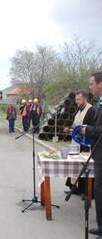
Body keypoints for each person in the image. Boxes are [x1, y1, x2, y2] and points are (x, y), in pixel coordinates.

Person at [81, 71, 102, 236]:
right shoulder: (99, 102)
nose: (90, 86)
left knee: (99, 189)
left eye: (92, 83)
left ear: (100, 83)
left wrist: (88, 129)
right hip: (97, 152)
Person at [65, 90, 96, 194]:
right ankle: (75, 188)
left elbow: (93, 127)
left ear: (85, 99)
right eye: (76, 99)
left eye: (78, 99)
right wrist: (70, 129)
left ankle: (85, 191)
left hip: (85, 143)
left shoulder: (92, 110)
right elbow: (75, 124)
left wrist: (84, 131)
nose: (76, 102)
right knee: (74, 165)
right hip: (76, 142)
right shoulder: (78, 110)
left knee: (84, 166)